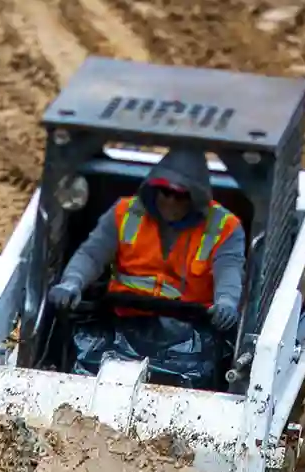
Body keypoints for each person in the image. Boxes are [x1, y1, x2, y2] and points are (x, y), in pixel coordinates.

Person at [47, 146, 246, 389]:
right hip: (122, 320)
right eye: (164, 192)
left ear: (197, 197)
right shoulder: (125, 213)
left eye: (180, 195)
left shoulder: (224, 227)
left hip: (188, 334)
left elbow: (229, 268)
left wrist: (226, 301)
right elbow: (92, 254)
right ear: (153, 189)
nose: (170, 201)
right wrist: (73, 281)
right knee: (81, 364)